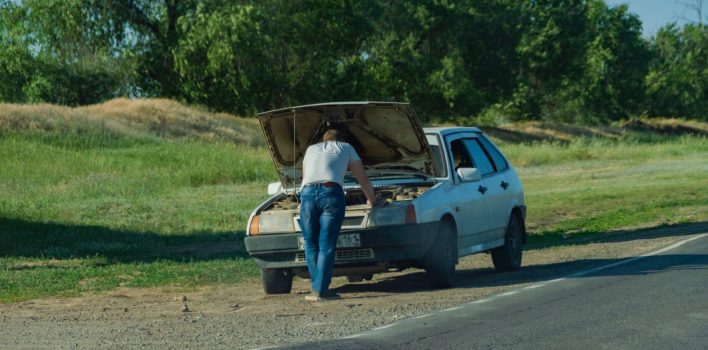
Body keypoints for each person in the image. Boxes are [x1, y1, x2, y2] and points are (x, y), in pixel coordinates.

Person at [299, 128, 378, 301]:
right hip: (331, 193)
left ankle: (317, 287)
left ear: (323, 139)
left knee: (310, 243)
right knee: (326, 244)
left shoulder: (311, 149)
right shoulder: (347, 147)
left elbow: (305, 176)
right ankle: (321, 290)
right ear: (341, 139)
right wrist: (372, 200)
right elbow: (361, 177)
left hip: (307, 194)